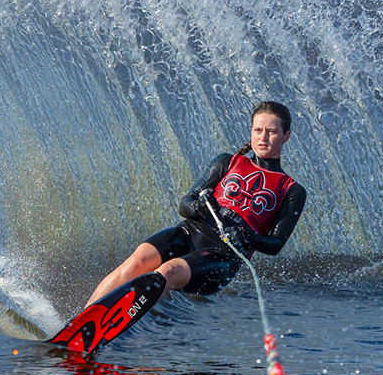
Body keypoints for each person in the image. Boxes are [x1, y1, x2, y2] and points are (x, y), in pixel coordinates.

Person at [85, 100, 306, 306]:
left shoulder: (291, 190)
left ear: (285, 136)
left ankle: (121, 324)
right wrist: (197, 206)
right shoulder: (227, 162)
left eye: (271, 132)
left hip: (222, 256)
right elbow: (185, 204)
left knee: (167, 272)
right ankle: (80, 321)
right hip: (189, 232)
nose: (263, 137)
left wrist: (248, 237)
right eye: (257, 130)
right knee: (136, 263)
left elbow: (276, 243)